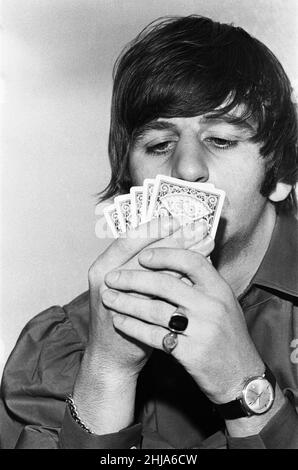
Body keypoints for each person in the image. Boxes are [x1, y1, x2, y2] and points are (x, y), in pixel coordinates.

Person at [0, 15, 297, 450]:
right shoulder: (57, 348)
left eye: (220, 139)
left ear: (281, 175)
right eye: (159, 145)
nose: (188, 168)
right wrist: (106, 372)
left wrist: (246, 389)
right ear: (130, 183)